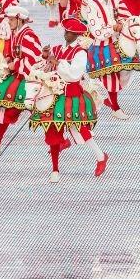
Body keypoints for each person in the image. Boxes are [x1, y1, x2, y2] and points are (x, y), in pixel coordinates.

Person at [32, 17, 107, 183]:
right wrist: (45, 57)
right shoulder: (57, 49)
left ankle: (101, 157)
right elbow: (48, 67)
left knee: (80, 128)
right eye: (66, 31)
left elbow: (74, 75)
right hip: (55, 94)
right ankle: (55, 168)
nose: (66, 34)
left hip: (72, 94)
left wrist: (57, 63)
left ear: (77, 35)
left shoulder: (80, 53)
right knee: (51, 127)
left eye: (70, 32)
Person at [0, 6, 42, 154]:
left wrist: (14, 65)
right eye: (9, 20)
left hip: (29, 77)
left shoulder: (27, 35)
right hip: (19, 75)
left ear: (20, 20)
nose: (9, 22)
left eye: (12, 20)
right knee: (5, 108)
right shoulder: (16, 33)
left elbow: (33, 59)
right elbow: (15, 54)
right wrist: (7, 60)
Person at [82, 0, 138, 120]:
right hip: (102, 46)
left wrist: (122, 23)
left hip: (118, 43)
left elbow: (127, 16)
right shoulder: (92, 6)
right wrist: (112, 28)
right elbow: (96, 31)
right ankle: (115, 107)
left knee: (127, 70)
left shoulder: (115, 1)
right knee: (110, 76)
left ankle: (108, 99)